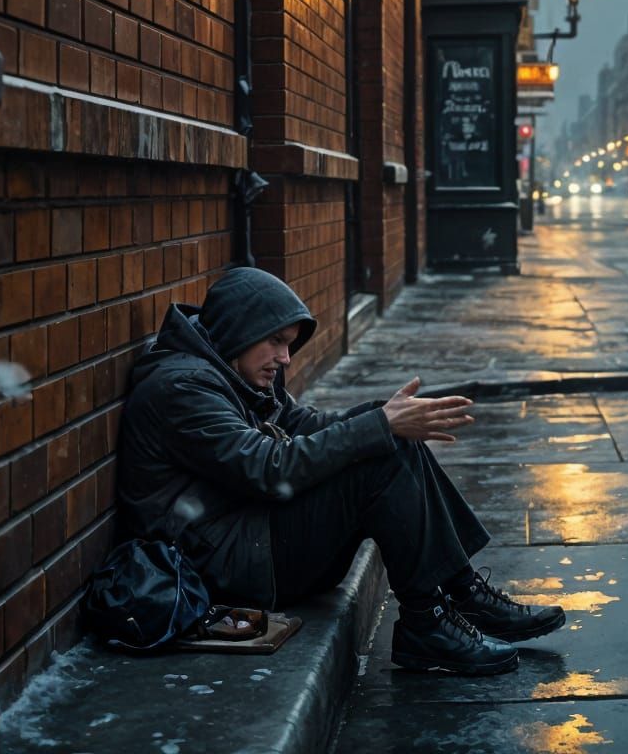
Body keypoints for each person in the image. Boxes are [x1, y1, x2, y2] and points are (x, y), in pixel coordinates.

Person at [117, 267, 562, 675]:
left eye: (289, 344)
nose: (285, 358)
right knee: (379, 456)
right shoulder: (183, 388)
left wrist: (385, 415)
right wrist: (379, 426)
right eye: (275, 342)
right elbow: (268, 469)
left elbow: (300, 425)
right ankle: (427, 623)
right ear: (239, 331)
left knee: (390, 438)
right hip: (226, 567)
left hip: (251, 538)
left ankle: (462, 591)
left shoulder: (225, 367)